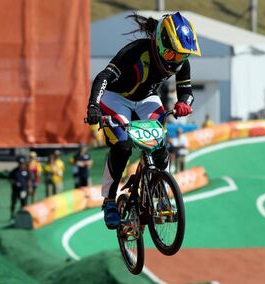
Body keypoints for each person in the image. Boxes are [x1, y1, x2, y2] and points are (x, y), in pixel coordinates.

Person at [85, 12, 201, 229]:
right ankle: (109, 201)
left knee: (159, 142)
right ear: (159, 43)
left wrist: (183, 103)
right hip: (116, 98)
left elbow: (187, 90)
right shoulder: (137, 50)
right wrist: (93, 106)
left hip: (147, 99)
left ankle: (160, 190)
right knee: (123, 146)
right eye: (171, 54)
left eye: (182, 56)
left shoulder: (181, 60)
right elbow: (102, 77)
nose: (176, 61)